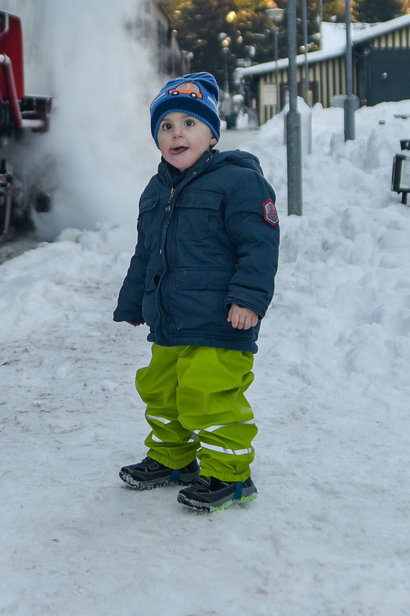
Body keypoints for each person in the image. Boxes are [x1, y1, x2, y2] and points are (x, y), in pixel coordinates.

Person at [113, 72, 280, 511]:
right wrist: (133, 301)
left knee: (210, 396)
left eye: (189, 123)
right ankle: (173, 460)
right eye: (166, 126)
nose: (176, 133)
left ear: (211, 133)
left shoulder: (239, 182)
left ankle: (231, 475)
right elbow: (146, 252)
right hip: (170, 320)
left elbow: (259, 245)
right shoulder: (156, 190)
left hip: (220, 320)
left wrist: (248, 298)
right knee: (162, 392)